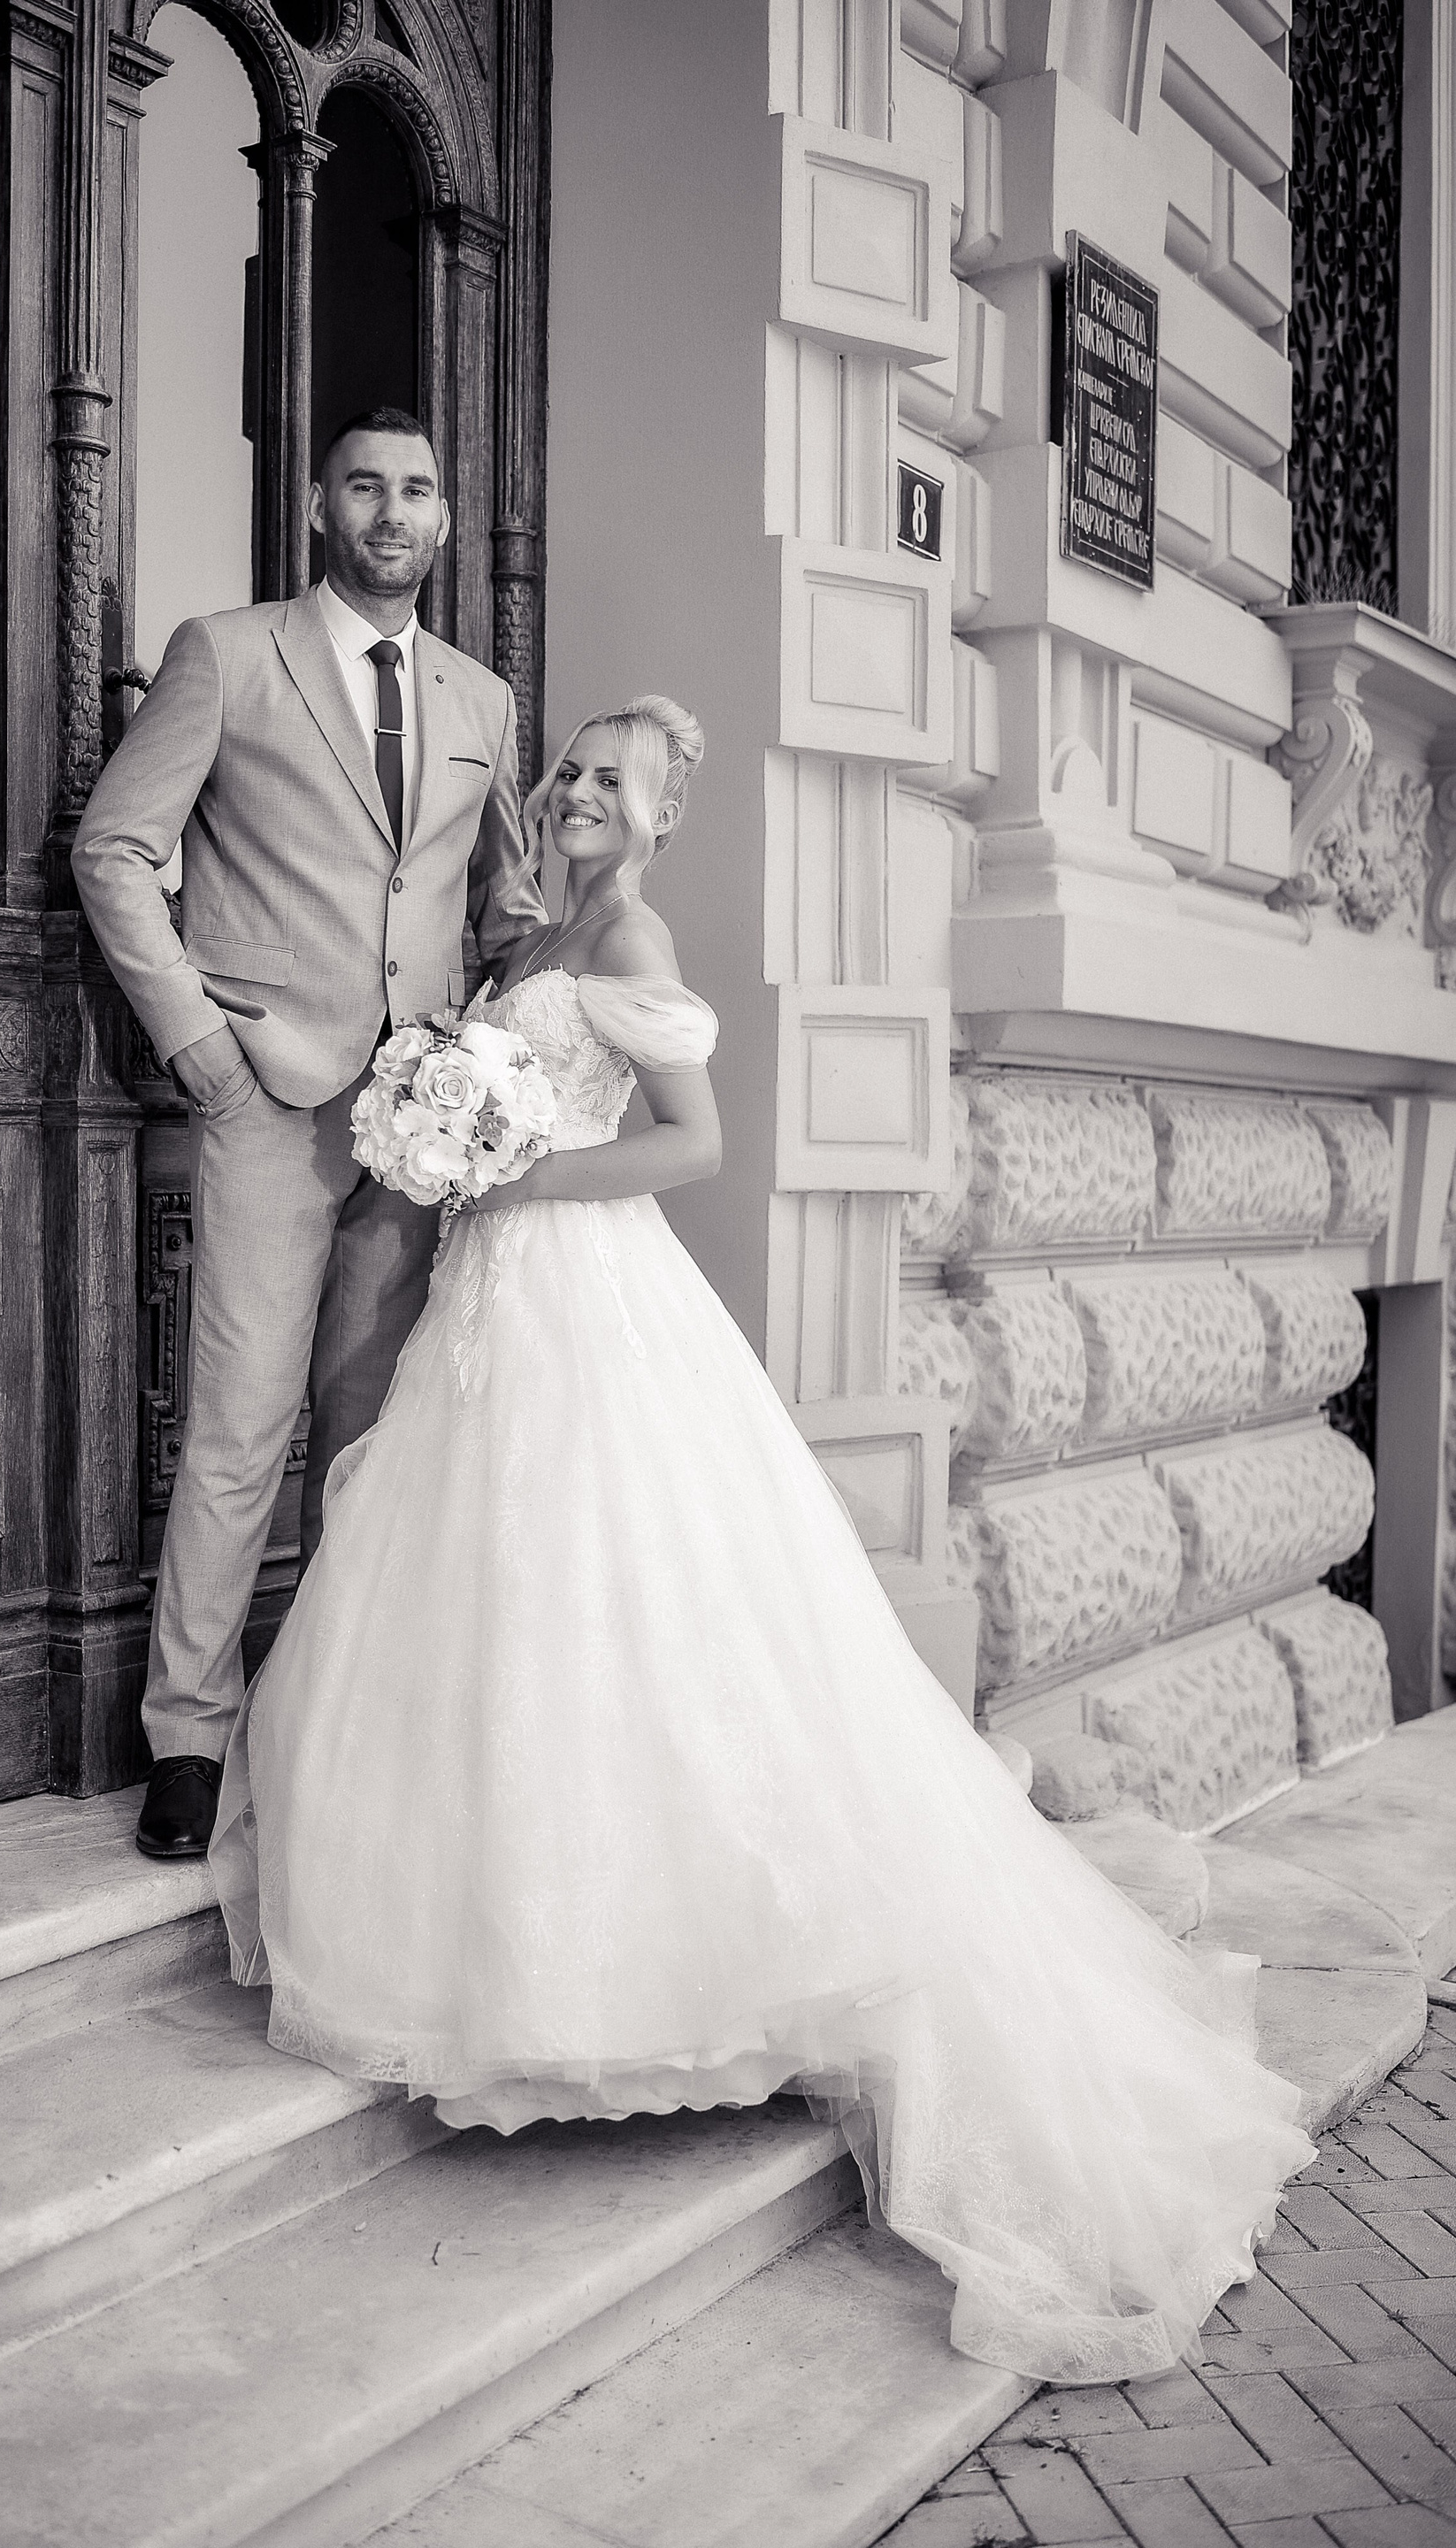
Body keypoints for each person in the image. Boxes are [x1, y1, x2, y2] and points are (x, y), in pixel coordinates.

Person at [209, 694, 1315, 2387]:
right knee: (495, 1604)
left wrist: (513, 1170)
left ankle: (639, 1975)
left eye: (617, 780)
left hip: (586, 1296)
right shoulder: (534, 933)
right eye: (573, 770)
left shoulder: (630, 937)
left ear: (665, 817)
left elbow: (693, 1139)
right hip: (495, 1301)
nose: (583, 791)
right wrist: (454, 1136)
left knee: (612, 1601)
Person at [72, 407, 545, 1860]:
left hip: (423, 1129)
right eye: (366, 487)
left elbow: (499, 902)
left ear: (443, 518)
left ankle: (344, 1717)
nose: (394, 511)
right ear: (322, 508)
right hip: (268, 1099)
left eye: (418, 490)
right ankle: (189, 1737)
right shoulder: (230, 655)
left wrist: (498, 1056)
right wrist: (201, 1050)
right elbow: (116, 849)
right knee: (240, 1422)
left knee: (372, 1429)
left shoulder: (483, 702)